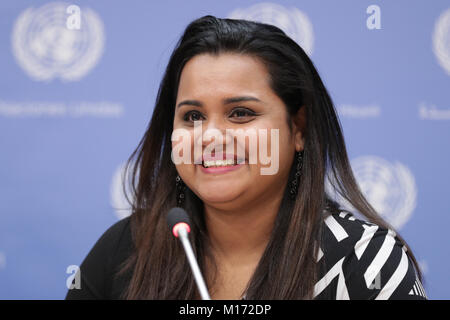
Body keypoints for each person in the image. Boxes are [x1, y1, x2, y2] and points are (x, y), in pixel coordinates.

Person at [65, 15, 427, 300]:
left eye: (240, 113)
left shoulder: (364, 260)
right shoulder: (127, 247)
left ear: (297, 129)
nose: (210, 137)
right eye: (192, 116)